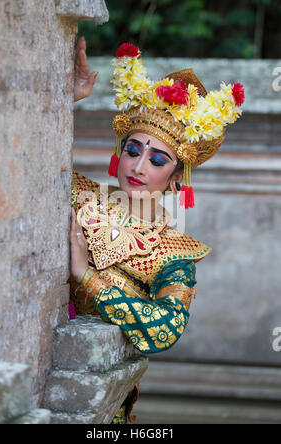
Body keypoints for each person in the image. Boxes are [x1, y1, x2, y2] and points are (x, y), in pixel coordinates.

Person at [69, 37, 245, 423]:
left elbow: (165, 329)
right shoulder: (73, 192)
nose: (138, 166)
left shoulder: (175, 251)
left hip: (100, 398)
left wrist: (86, 276)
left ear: (177, 175)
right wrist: (67, 99)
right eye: (133, 150)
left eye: (157, 158)